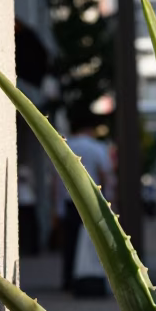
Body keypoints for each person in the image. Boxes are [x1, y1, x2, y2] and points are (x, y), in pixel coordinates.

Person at [58, 112, 112, 290]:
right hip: (91, 201)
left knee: (70, 242)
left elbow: (56, 178)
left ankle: (68, 280)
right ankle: (90, 278)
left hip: (70, 200)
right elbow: (104, 175)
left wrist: (56, 206)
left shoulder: (66, 146)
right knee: (92, 242)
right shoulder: (97, 147)